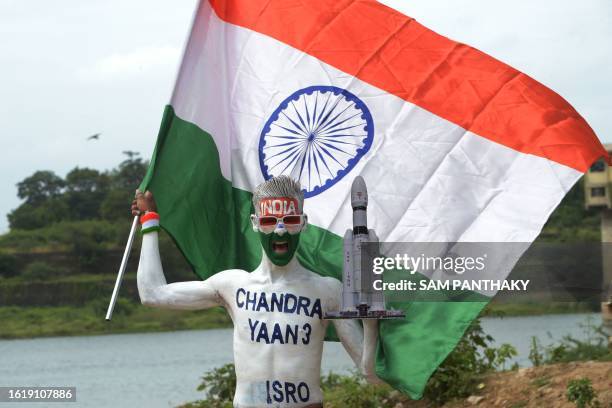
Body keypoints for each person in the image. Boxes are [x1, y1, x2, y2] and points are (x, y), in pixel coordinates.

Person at [132, 175, 380, 408]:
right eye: (270, 221)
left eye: (290, 221)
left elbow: (367, 371)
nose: (280, 231)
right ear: (255, 223)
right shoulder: (232, 285)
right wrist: (150, 220)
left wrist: (371, 326)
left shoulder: (326, 290)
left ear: (303, 223)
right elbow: (153, 294)